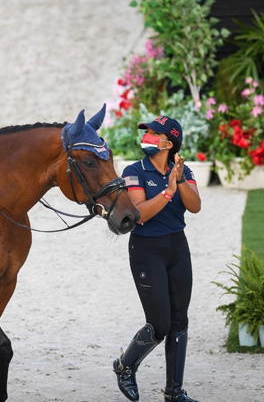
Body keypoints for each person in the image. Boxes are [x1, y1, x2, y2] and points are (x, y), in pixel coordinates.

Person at [113, 116, 202, 402]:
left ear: (169, 142)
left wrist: (179, 181)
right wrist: (168, 191)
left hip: (177, 248)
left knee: (180, 321)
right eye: (147, 132)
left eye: (153, 132)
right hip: (146, 251)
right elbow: (138, 214)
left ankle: (174, 392)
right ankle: (126, 366)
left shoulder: (183, 169)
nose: (147, 136)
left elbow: (195, 206)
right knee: (160, 323)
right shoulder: (133, 171)